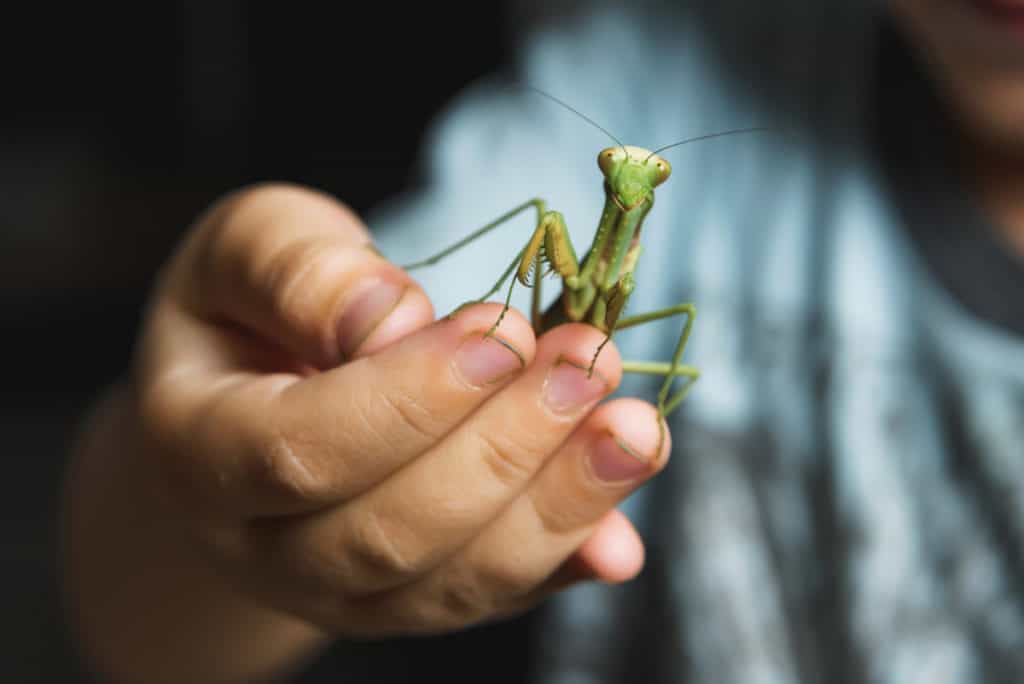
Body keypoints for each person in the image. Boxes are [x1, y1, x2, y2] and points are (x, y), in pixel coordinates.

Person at [63, 0, 1024, 682]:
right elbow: (137, 623)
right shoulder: (652, 64)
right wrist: (202, 489)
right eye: (622, 174)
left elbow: (654, 335)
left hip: (604, 370)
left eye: (641, 181)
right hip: (543, 337)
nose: (630, 185)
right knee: (538, 229)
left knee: (672, 341)